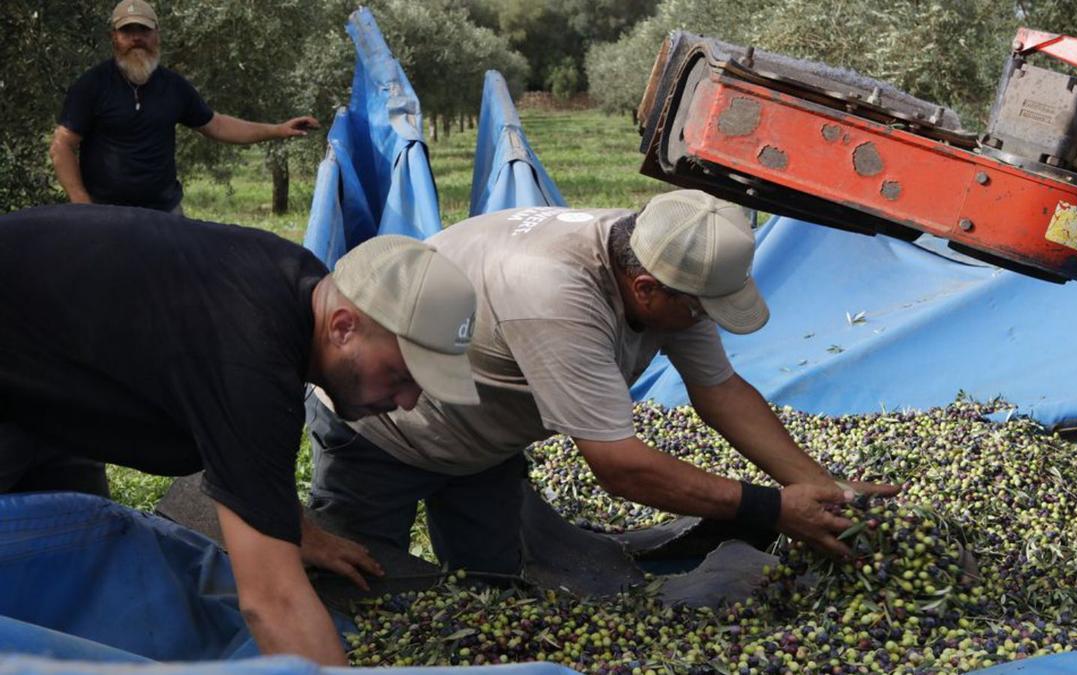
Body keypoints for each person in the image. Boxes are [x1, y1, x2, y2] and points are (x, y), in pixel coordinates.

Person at [305, 189, 900, 577]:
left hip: (483, 446)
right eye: (701, 309)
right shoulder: (557, 296)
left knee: (492, 591)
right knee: (360, 585)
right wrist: (772, 509)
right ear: (647, 291)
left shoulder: (659, 257)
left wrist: (826, 494)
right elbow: (619, 467)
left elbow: (720, 390)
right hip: (383, 425)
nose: (705, 321)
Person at [0, 203, 480, 665]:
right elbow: (272, 602)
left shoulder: (300, 288)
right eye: (400, 375)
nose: (409, 401)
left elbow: (236, 430)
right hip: (17, 372)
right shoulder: (253, 356)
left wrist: (289, 526)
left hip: (45, 382)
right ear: (342, 327)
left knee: (65, 569)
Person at [48, 0, 320, 214]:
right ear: (114, 37)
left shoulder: (174, 87)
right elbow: (62, 145)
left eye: (143, 30)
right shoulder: (92, 85)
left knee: (172, 285)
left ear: (157, 35)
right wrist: (82, 203)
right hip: (104, 216)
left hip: (165, 213)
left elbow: (217, 125)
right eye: (127, 31)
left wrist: (278, 129)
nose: (136, 38)